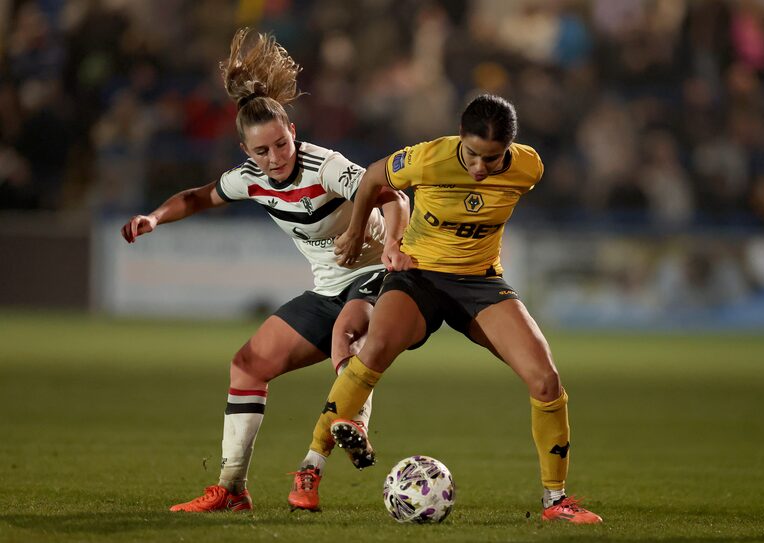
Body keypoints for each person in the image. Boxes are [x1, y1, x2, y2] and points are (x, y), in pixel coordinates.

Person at [120, 28, 409, 513]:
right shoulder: (249, 180)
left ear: (292, 132)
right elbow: (196, 197)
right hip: (328, 285)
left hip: (379, 274)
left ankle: (355, 419)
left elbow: (393, 195)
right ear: (245, 151)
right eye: (262, 151)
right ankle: (232, 490)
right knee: (247, 365)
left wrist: (392, 244)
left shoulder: (327, 167)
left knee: (347, 332)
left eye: (280, 144)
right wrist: (154, 217)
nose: (275, 158)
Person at [290, 94, 602, 524]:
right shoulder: (427, 158)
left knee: (546, 381)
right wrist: (366, 232)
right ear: (460, 138)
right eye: (472, 154)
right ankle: (310, 469)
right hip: (419, 277)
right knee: (374, 349)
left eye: (491, 159)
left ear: (509, 150)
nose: (478, 167)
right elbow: (373, 180)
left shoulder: (529, 167)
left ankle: (556, 502)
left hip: (481, 283)